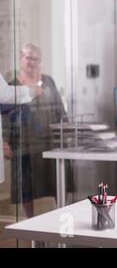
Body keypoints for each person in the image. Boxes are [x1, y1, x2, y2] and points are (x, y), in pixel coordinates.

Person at [2, 43, 66, 218]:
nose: (31, 61)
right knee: (25, 185)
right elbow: (4, 116)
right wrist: (5, 141)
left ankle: (60, 216)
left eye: (35, 58)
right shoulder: (12, 86)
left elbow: (60, 110)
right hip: (22, 142)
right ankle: (30, 220)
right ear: (21, 59)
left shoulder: (48, 81)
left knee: (54, 179)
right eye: (27, 57)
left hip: (48, 141)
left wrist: (66, 133)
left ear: (40, 62)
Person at [0, 74, 42, 185]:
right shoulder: (14, 81)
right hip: (19, 143)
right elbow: (4, 95)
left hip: (34, 142)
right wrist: (30, 91)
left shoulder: (48, 81)